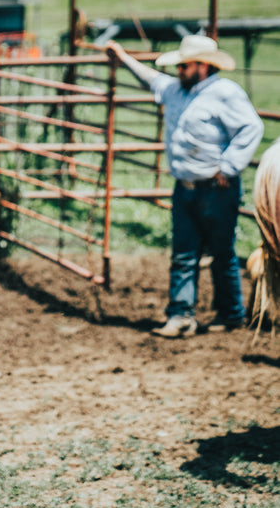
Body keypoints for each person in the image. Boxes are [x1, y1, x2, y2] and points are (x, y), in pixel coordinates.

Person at [107, 35, 264, 337]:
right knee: (183, 252)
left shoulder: (225, 93)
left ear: (203, 66)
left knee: (221, 251)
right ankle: (181, 316)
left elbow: (251, 127)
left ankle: (231, 314)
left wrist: (229, 166)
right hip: (186, 186)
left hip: (216, 188)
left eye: (184, 65)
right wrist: (123, 57)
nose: (178, 70)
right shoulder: (176, 90)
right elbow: (150, 78)